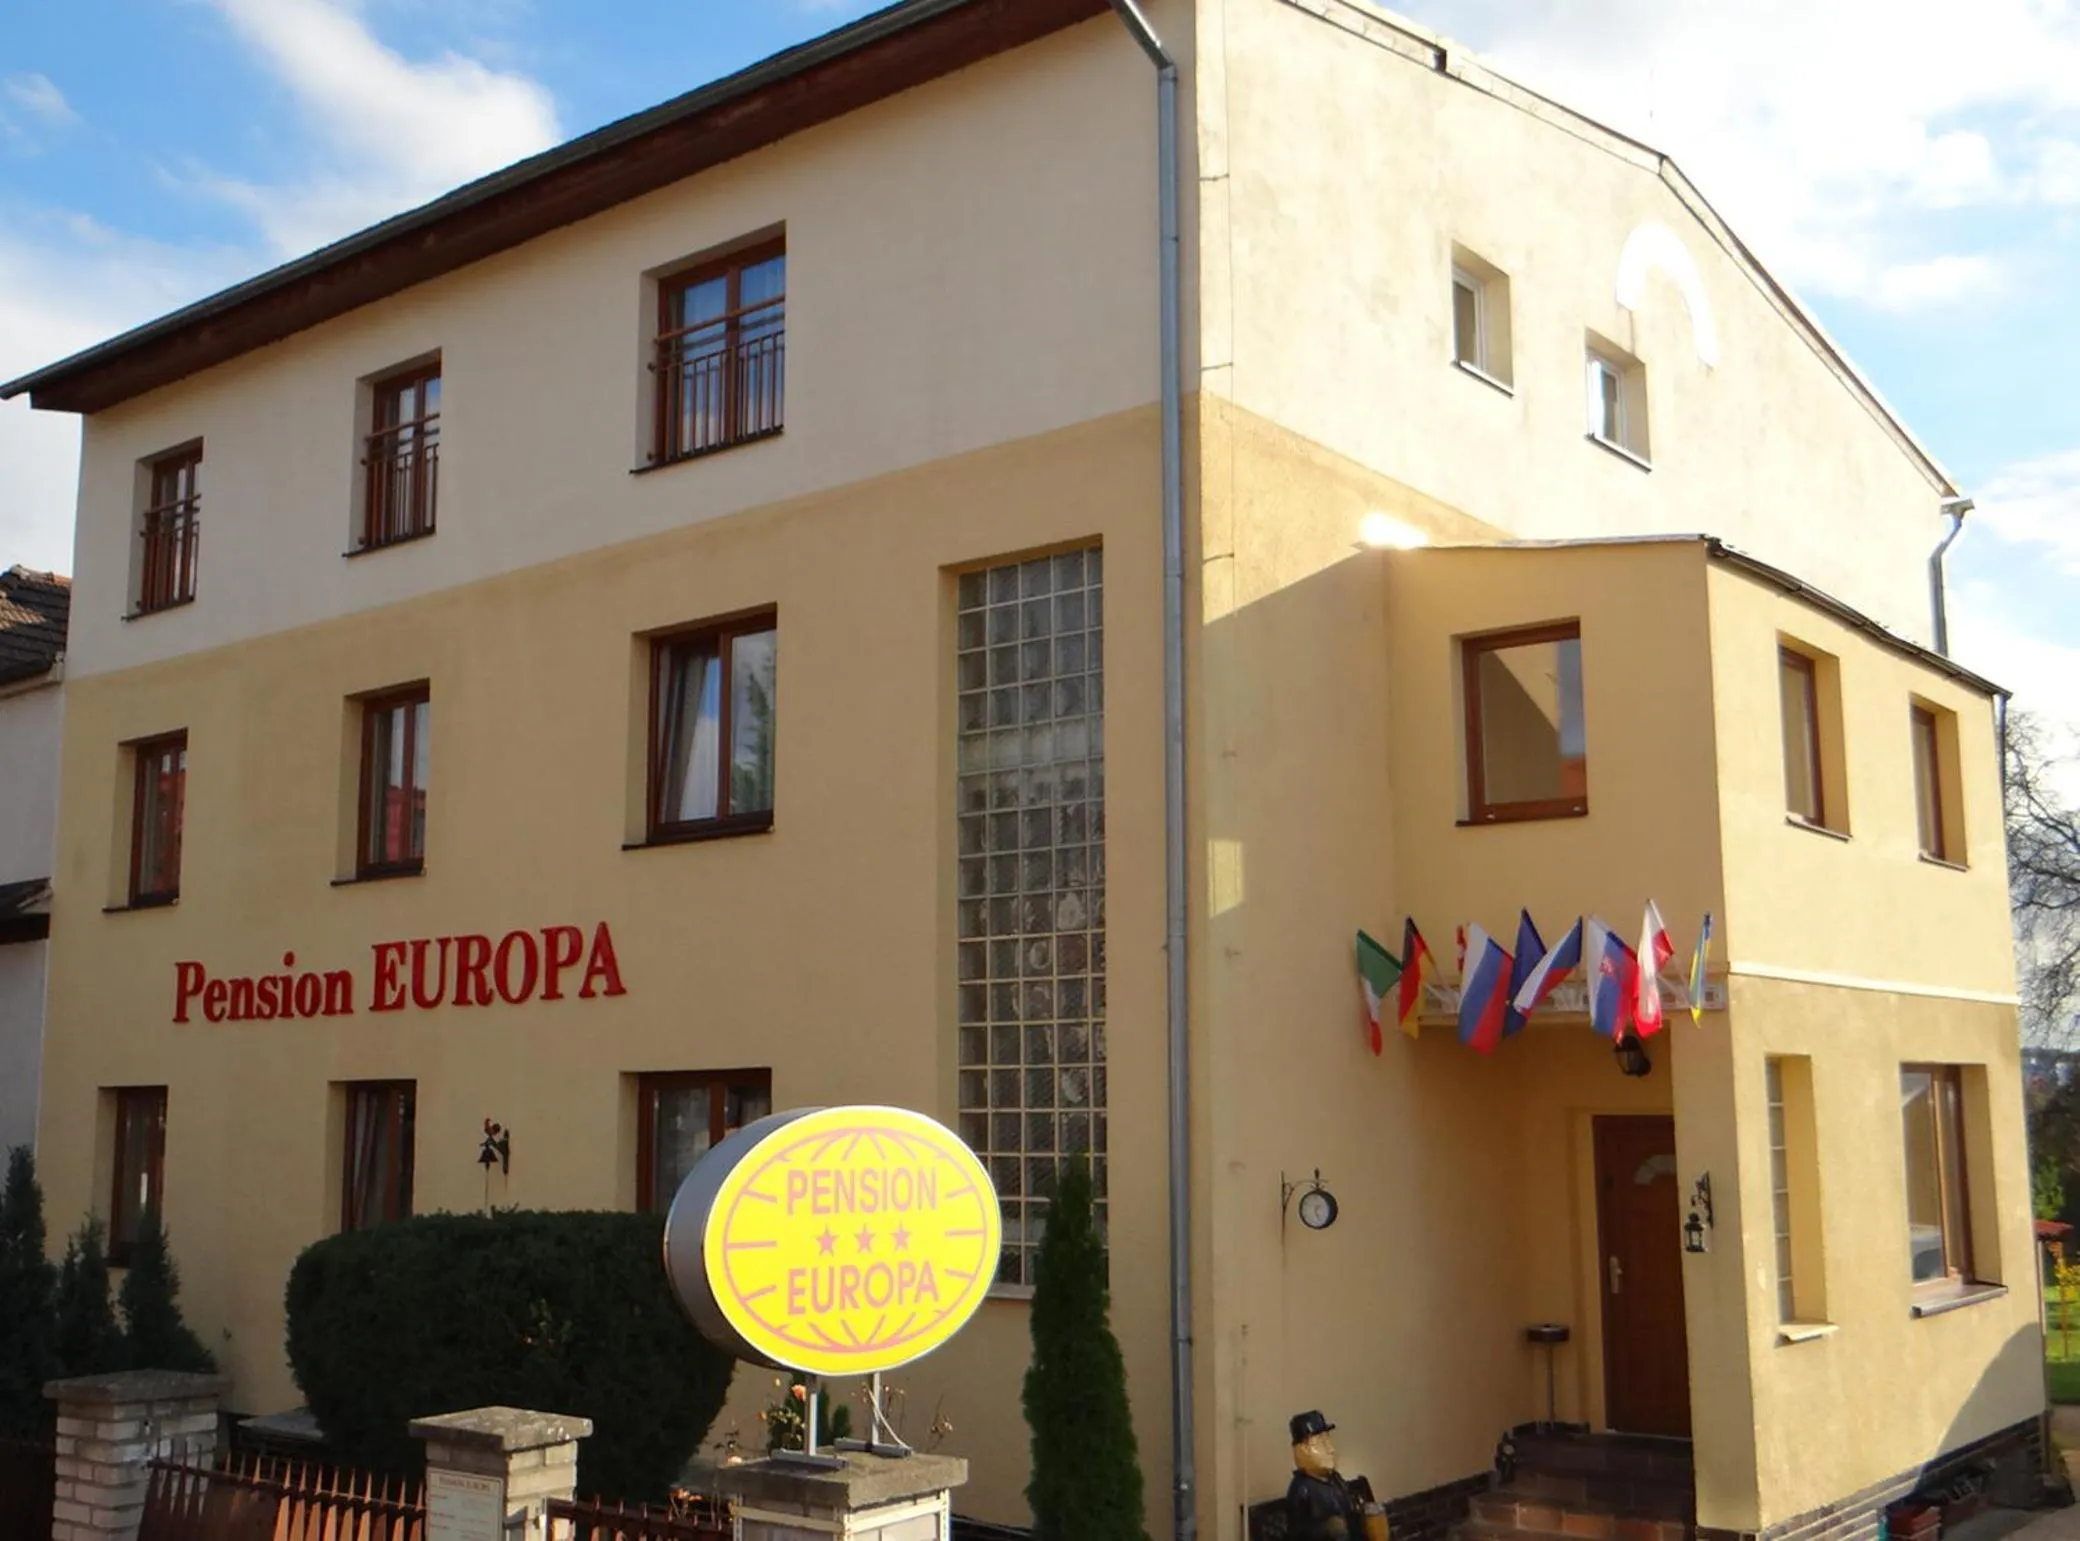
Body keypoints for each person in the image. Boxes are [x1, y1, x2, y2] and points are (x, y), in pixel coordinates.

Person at [1285, 1411, 1386, 1541]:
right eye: (1321, 1443)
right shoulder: (1301, 1489)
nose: (1331, 1449)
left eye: (1328, 1441)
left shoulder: (1335, 1479)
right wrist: (1325, 1528)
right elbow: (1297, 1533)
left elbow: (1348, 1513)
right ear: (1302, 1449)